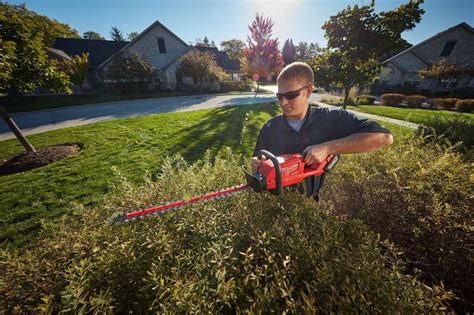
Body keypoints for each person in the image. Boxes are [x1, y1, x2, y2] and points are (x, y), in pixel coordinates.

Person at [251, 62, 393, 199]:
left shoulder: (332, 119)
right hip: (279, 207)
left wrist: (327, 148)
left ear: (308, 91)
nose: (284, 102)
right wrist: (258, 165)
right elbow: (259, 164)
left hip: (321, 206)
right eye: (279, 96)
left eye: (290, 95)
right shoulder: (269, 128)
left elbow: (384, 137)